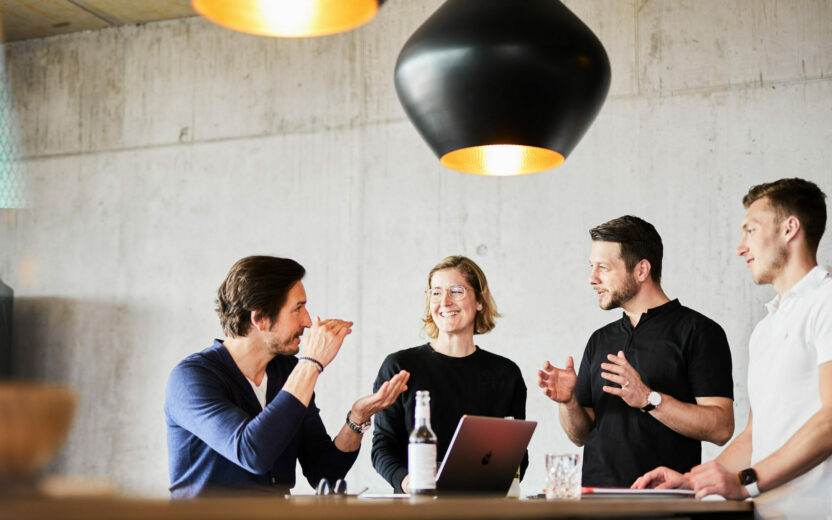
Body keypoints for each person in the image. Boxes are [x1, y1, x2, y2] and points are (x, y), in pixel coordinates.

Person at [633, 178, 832, 517]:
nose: (740, 247)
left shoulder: (826, 303)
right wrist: (692, 481)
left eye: (750, 230)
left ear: (789, 228)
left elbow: (830, 419)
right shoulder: (766, 327)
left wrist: (746, 481)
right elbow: (755, 435)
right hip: (767, 513)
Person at [165, 256, 410, 498]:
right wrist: (311, 363)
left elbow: (324, 474)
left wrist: (357, 419)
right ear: (259, 318)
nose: (307, 321)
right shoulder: (191, 379)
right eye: (298, 308)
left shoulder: (287, 370)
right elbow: (252, 453)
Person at [538, 216, 735, 487]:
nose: (592, 278)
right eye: (592, 267)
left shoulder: (700, 331)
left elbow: (721, 428)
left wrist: (648, 398)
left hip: (664, 503)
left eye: (603, 268)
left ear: (642, 270)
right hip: (595, 504)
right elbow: (580, 435)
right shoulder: (599, 340)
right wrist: (569, 402)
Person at [371, 255, 528, 493]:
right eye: (436, 292)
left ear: (479, 301)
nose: (444, 301)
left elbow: (517, 456)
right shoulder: (399, 366)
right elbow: (383, 446)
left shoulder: (506, 373)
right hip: (417, 509)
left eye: (456, 291)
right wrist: (407, 482)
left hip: (482, 509)